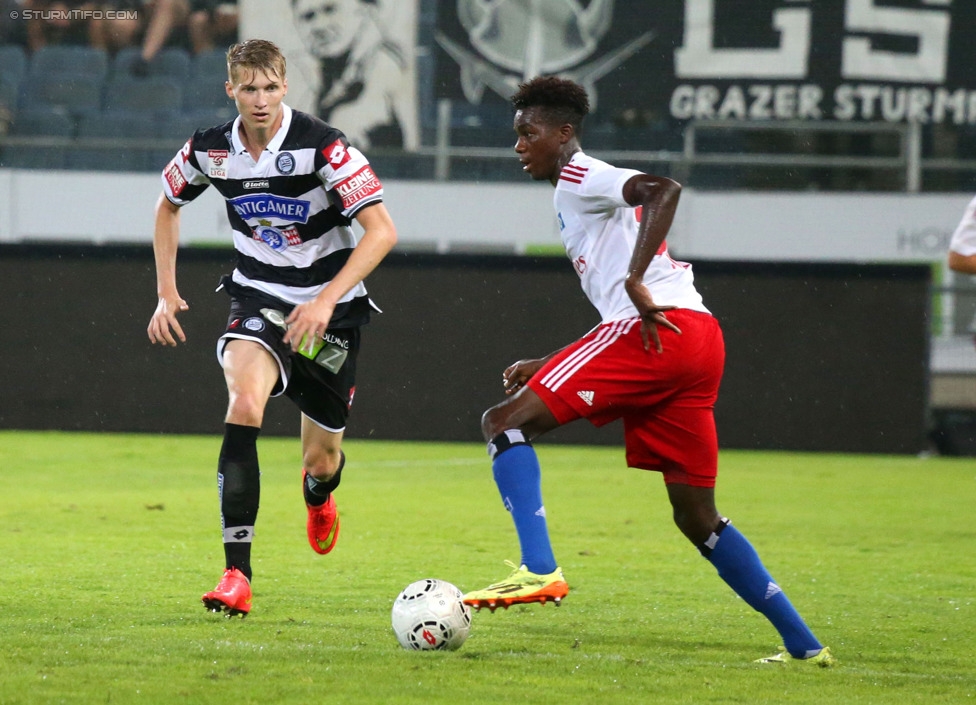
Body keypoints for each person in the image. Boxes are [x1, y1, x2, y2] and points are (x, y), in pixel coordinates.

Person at [461, 75, 834, 667]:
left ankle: (539, 570)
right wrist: (555, 359)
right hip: (695, 337)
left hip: (656, 331)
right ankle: (804, 645)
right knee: (697, 517)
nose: (519, 146)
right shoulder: (572, 191)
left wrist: (635, 278)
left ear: (564, 134)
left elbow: (663, 188)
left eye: (528, 133)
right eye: (517, 135)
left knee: (503, 423)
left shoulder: (582, 174)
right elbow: (616, 307)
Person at [147, 38, 397, 617]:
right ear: (230, 89)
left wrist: (325, 301)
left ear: (286, 86)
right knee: (244, 401)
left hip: (330, 309)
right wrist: (165, 291)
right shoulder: (210, 150)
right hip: (257, 294)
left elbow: (382, 232)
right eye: (248, 88)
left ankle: (320, 495)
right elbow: (167, 205)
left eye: (270, 87)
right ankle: (237, 574)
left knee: (320, 459)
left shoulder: (325, 148)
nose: (259, 100)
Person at [291, 0, 419, 150]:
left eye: (330, 10)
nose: (319, 26)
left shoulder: (384, 61)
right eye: (308, 16)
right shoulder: (321, 81)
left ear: (365, 9)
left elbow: (373, 102)